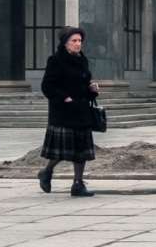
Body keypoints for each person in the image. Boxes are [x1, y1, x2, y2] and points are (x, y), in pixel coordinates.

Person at [38, 26, 99, 197]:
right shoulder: (56, 60)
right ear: (65, 42)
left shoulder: (82, 60)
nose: (78, 44)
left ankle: (78, 185)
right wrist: (64, 97)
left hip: (81, 110)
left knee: (81, 151)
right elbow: (46, 86)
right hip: (63, 112)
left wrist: (91, 88)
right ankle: (47, 172)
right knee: (62, 151)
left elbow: (81, 83)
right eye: (74, 41)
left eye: (80, 40)